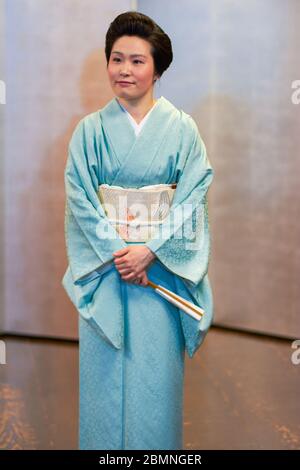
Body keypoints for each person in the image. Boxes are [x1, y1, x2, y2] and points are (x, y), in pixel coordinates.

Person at [62, 11, 214, 450]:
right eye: (116, 59)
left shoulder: (183, 130)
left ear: (158, 68)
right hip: (108, 269)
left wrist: (150, 249)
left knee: (155, 378)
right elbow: (80, 198)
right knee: (104, 375)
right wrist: (117, 251)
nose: (124, 70)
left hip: (159, 267)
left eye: (137, 61)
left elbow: (193, 194)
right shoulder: (89, 131)